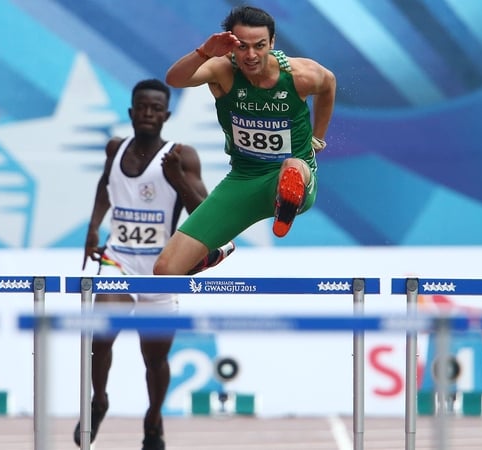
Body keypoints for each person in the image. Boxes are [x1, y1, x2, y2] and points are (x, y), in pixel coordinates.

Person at [75, 78, 234, 450]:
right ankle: (99, 400)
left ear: (166, 115)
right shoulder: (115, 149)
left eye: (155, 108)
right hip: (119, 260)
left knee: (155, 358)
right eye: (141, 107)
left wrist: (177, 179)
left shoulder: (181, 156)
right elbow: (105, 184)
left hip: (163, 268)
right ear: (131, 112)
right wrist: (94, 227)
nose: (147, 113)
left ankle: (153, 419)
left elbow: (206, 216)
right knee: (100, 333)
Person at [154, 5, 336, 277]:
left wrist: (317, 138)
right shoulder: (222, 70)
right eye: (243, 47)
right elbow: (175, 79)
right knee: (165, 270)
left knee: (293, 165)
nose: (251, 56)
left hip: (292, 179)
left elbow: (328, 84)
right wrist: (205, 51)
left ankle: (287, 199)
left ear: (272, 42)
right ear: (231, 45)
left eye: (260, 45)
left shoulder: (300, 75)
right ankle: (216, 251)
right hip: (242, 181)